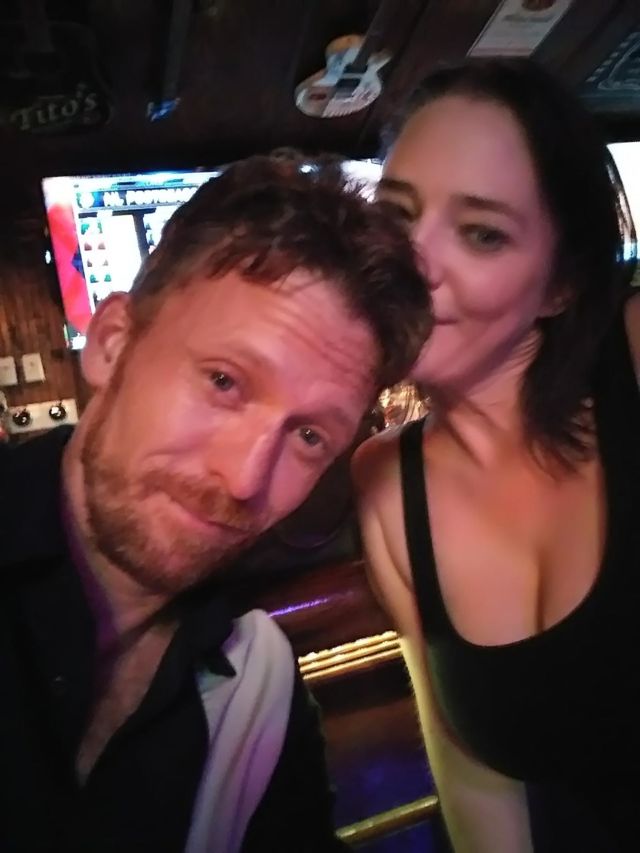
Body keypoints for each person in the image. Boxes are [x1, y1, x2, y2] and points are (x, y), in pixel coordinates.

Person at [0, 150, 430, 853]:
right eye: (224, 381)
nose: (243, 479)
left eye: (309, 436)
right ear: (112, 344)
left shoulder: (256, 687)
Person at [353, 58, 639, 852]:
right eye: (395, 214)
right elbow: (472, 768)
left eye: (482, 233)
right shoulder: (384, 481)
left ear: (560, 284)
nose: (410, 263)